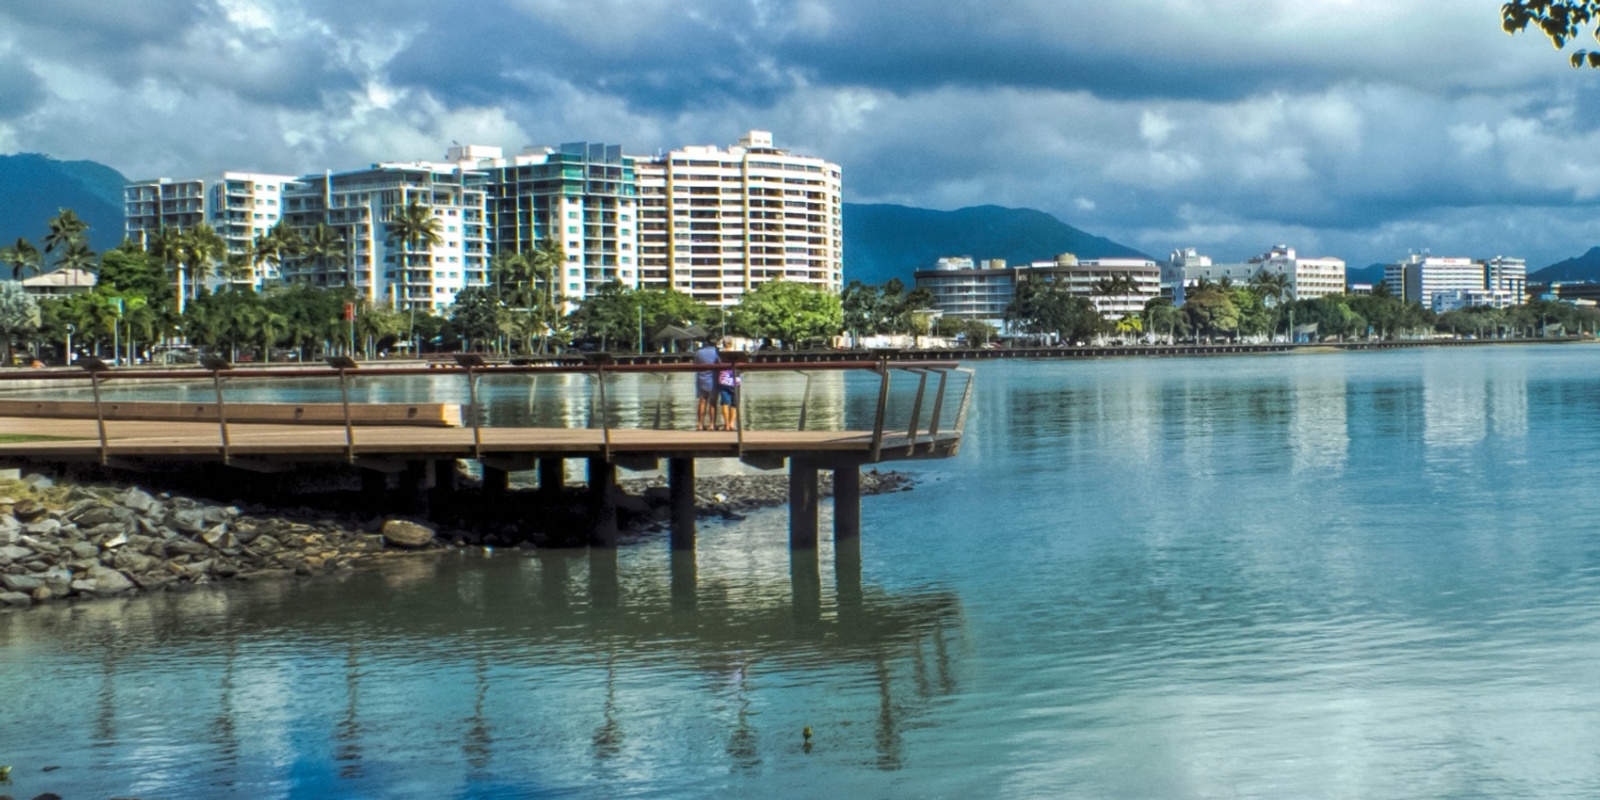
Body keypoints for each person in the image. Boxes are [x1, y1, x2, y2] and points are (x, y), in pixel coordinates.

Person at [693, 338, 719, 431]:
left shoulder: (699, 352)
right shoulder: (716, 352)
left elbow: (695, 363)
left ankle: (700, 424)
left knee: (702, 401)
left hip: (701, 378)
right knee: (713, 402)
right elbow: (720, 362)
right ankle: (712, 424)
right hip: (713, 378)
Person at [717, 359, 741, 431]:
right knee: (734, 404)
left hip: (723, 380)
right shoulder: (736, 355)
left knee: (725, 403)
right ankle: (731, 424)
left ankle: (726, 424)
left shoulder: (720, 356)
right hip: (734, 381)